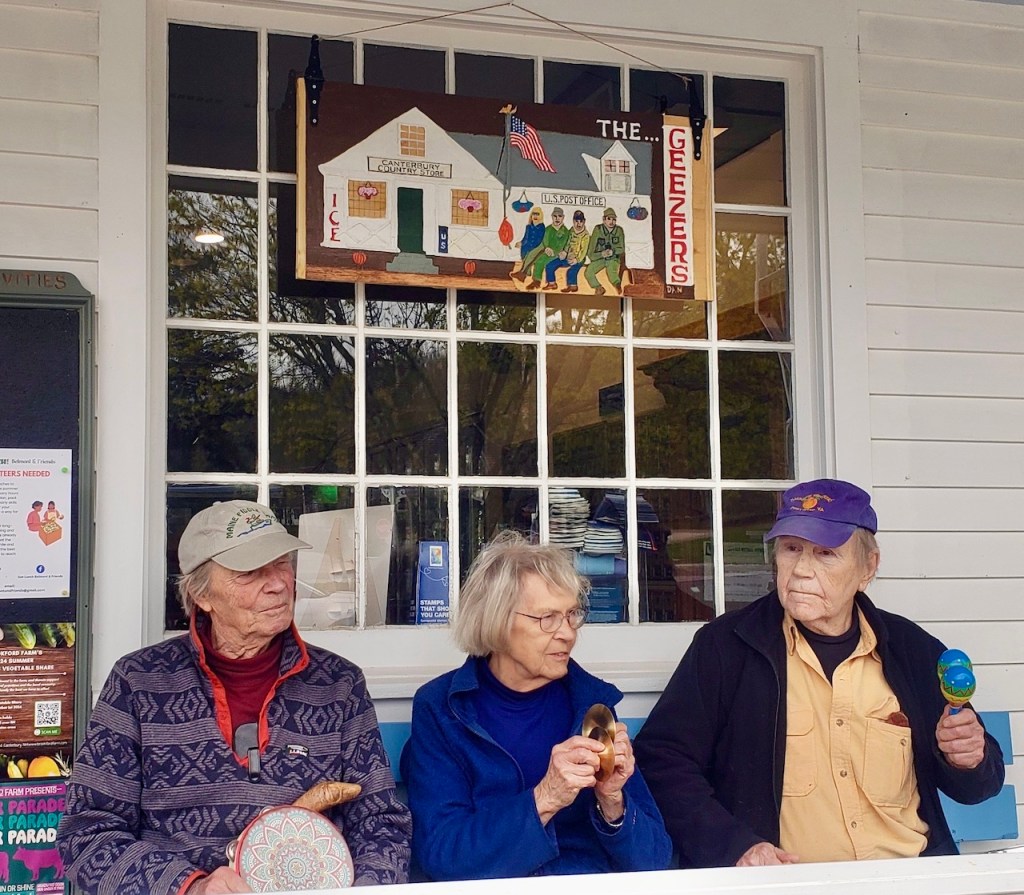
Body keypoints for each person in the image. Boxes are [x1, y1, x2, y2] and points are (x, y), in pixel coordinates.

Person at [635, 478, 1005, 869]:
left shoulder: (912, 650)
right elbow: (663, 761)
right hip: (788, 885)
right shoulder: (726, 648)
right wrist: (735, 847)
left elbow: (978, 786)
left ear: (868, 567)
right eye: (792, 549)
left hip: (907, 876)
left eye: (826, 553)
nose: (801, 571)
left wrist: (968, 759)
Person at [58, 500, 411, 895]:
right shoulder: (139, 682)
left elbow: (381, 824)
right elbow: (89, 834)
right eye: (250, 572)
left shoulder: (338, 684)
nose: (278, 582)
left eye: (282, 562)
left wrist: (361, 889)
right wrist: (190, 887)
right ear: (202, 594)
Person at [401, 532, 670, 881]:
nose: (568, 633)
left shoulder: (591, 705)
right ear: (497, 621)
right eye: (548, 618)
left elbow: (655, 861)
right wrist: (545, 797)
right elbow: (443, 854)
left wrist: (613, 800)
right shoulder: (442, 709)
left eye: (572, 614)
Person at [525, 206, 570, 290]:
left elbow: (564, 244)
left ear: (563, 217)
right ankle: (536, 281)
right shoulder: (548, 229)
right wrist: (547, 247)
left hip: (559, 254)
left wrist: (560, 252)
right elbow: (545, 240)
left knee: (547, 263)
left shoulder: (565, 231)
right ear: (552, 217)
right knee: (539, 260)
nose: (557, 218)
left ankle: (551, 283)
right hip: (548, 252)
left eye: (559, 216)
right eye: (555, 216)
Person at [583, 207, 625, 295]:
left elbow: (621, 248)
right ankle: (598, 287)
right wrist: (601, 254)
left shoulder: (619, 230)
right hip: (600, 258)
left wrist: (612, 251)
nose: (611, 222)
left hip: (613, 258)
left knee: (611, 272)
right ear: (604, 219)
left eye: (614, 219)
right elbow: (591, 250)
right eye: (609, 219)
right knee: (588, 272)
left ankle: (617, 284)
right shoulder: (598, 230)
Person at [548, 210, 590, 294]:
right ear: (573, 221)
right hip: (568, 256)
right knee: (550, 265)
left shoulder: (585, 235)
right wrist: (564, 252)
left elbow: (583, 251)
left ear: (584, 222)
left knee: (571, 271)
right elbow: (567, 243)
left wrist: (577, 260)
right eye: (576, 221)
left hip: (578, 258)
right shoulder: (571, 231)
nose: (578, 224)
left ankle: (573, 286)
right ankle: (552, 283)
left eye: (581, 221)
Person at [510, 207, 546, 282]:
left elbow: (539, 240)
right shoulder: (528, 226)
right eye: (534, 214)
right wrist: (521, 242)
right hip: (527, 245)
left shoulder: (542, 227)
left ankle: (522, 274)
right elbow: (525, 237)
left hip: (536, 246)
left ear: (540, 216)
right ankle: (528, 272)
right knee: (524, 250)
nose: (535, 216)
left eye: (537, 214)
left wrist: (532, 247)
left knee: (530, 254)